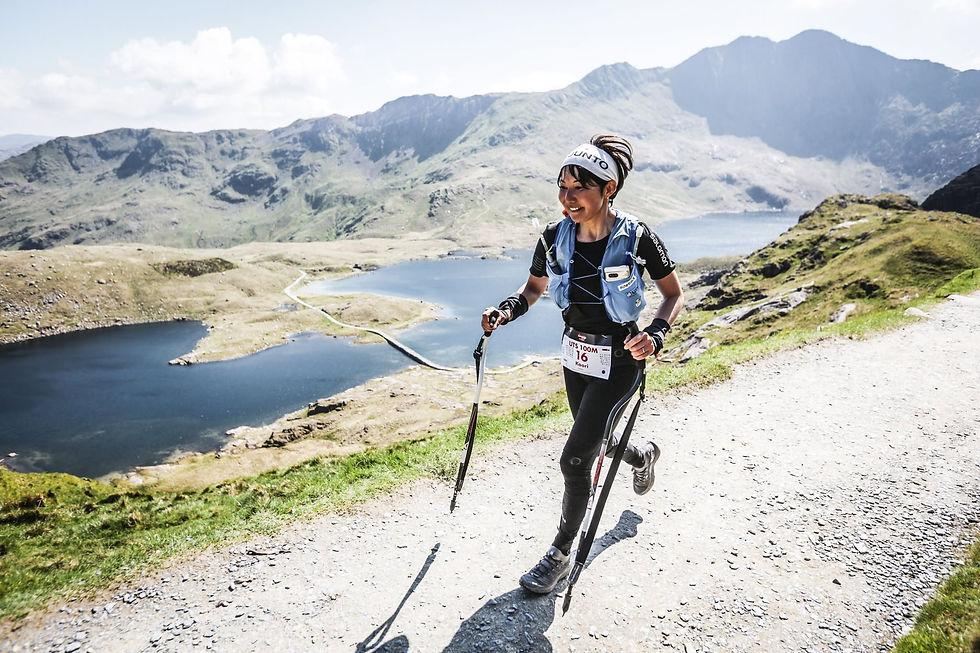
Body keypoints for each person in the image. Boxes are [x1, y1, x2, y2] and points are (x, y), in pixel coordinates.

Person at [481, 134, 684, 594]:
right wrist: (504, 311)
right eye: (562, 186)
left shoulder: (637, 236)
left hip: (620, 359)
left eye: (580, 188)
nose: (567, 198)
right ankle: (642, 454)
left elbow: (673, 294)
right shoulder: (554, 237)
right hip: (575, 355)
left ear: (608, 189)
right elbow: (533, 289)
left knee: (575, 460)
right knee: (596, 443)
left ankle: (558, 554)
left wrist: (655, 333)